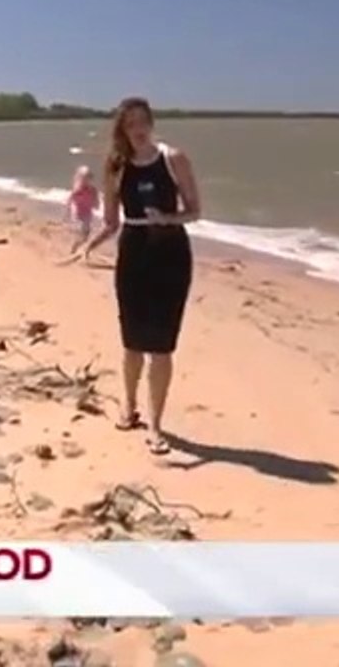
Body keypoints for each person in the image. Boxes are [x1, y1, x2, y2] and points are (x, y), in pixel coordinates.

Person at [74, 97, 201, 455]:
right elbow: (112, 221)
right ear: (122, 129)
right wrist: (89, 246)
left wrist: (167, 219)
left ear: (151, 123)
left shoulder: (173, 159)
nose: (138, 130)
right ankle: (128, 407)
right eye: (130, 124)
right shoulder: (116, 166)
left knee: (162, 346)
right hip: (133, 252)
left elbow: (195, 211)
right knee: (132, 342)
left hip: (171, 252)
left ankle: (156, 426)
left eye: (143, 122)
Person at [64, 165, 99, 256]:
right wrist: (68, 211)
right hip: (78, 213)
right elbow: (70, 199)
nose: (86, 181)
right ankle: (74, 249)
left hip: (87, 214)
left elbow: (96, 202)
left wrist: (96, 205)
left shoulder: (93, 190)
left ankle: (79, 248)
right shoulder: (78, 189)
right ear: (80, 179)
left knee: (86, 235)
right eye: (84, 178)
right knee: (80, 232)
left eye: (88, 178)